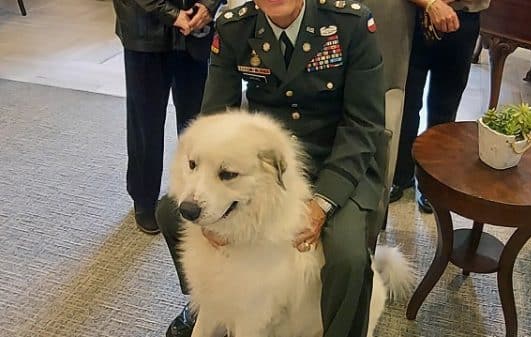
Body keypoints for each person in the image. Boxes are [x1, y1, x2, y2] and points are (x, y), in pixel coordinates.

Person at [156, 0, 386, 336]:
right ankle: (209, 299)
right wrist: (205, 201)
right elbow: (215, 117)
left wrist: (322, 201)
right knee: (169, 212)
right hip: (262, 168)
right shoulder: (236, 26)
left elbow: (364, 126)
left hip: (337, 161)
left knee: (347, 255)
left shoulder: (349, 22)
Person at [112, 0, 223, 234]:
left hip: (196, 27)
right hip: (144, 28)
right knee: (145, 122)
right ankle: (144, 198)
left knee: (198, 123)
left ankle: (196, 194)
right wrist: (171, 14)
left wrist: (208, 5)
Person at [389, 0, 489, 212]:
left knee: (444, 107)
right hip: (411, 17)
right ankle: (400, 175)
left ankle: (432, 181)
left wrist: (439, 3)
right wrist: (430, 3)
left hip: (460, 18)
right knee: (406, 104)